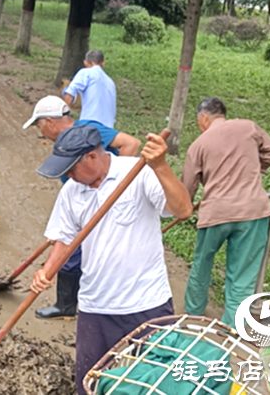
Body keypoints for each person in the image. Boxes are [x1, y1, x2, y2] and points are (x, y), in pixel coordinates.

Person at [31, 125, 193, 395]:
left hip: (146, 304)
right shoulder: (72, 191)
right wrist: (46, 272)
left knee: (158, 384)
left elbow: (183, 209)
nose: (68, 176)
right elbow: (65, 238)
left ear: (91, 158)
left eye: (71, 168)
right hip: (97, 307)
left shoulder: (138, 173)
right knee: (90, 384)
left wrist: (161, 166)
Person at [23, 95, 141, 320]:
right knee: (66, 247)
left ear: (49, 122)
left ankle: (68, 305)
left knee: (72, 255)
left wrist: (117, 186)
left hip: (99, 206)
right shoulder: (67, 141)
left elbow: (131, 143)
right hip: (78, 205)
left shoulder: (87, 130)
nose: (41, 131)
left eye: (39, 125)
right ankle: (67, 304)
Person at [182, 97, 270, 327]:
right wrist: (252, 166)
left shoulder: (198, 144)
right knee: (242, 274)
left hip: (215, 213)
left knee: (202, 263)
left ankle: (193, 314)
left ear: (204, 118)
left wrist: (184, 208)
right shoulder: (248, 127)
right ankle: (232, 327)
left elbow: (187, 188)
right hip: (253, 211)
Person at [62, 50, 117, 128]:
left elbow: (70, 93)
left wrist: (63, 115)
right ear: (103, 63)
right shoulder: (110, 82)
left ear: (85, 63)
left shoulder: (85, 73)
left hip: (89, 124)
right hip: (108, 128)